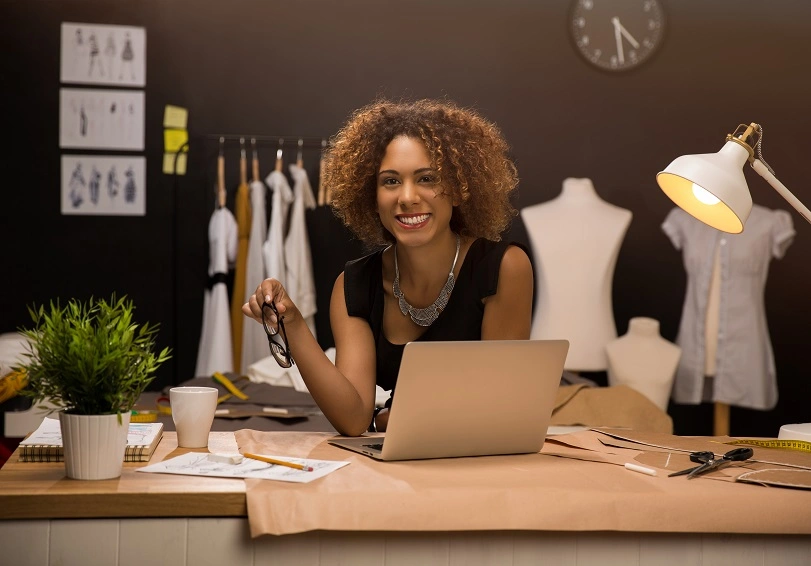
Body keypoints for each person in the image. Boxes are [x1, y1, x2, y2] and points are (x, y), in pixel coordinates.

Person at [243, 98, 533, 436]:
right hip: (397, 470)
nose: (407, 197)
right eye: (391, 181)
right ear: (372, 196)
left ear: (457, 190)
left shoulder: (503, 269)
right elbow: (352, 419)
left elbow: (500, 407)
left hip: (478, 466)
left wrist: (389, 418)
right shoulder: (355, 285)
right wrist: (291, 323)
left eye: (426, 178)